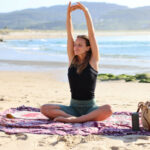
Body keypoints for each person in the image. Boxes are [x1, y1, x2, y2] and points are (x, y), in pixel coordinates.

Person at [40, 2, 112, 123]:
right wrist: (68, 15)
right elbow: (69, 35)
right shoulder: (72, 60)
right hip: (72, 108)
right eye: (75, 45)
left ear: (88, 47)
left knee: (109, 109)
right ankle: (74, 118)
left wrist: (86, 11)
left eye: (80, 45)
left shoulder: (93, 61)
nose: (76, 47)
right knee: (44, 108)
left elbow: (92, 35)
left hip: (90, 107)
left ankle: (76, 120)